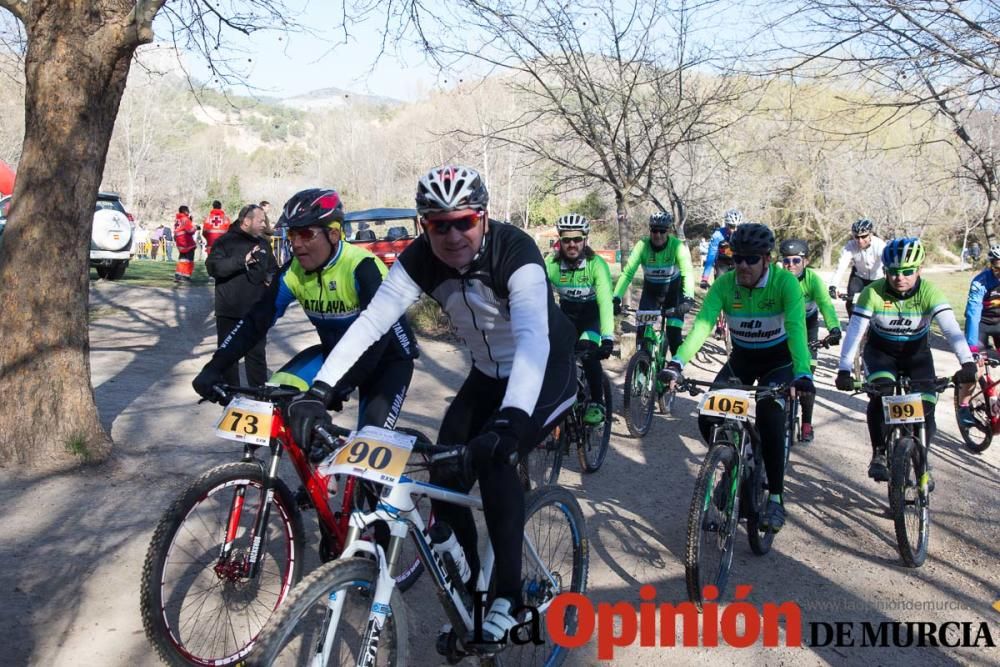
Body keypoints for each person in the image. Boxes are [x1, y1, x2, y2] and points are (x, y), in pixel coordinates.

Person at [283, 165, 577, 645]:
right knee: (444, 470)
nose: (453, 234)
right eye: (439, 224)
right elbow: (372, 321)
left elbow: (531, 342)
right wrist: (320, 389)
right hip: (487, 374)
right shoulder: (421, 258)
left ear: (484, 217)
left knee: (497, 460)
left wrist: (510, 423)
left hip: (544, 372)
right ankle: (468, 590)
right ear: (424, 225)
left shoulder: (515, 251)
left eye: (464, 221)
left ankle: (508, 596)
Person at [194, 189, 418, 426]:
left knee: (369, 441)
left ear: (333, 234)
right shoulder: (294, 272)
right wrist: (214, 367)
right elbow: (254, 322)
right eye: (292, 235)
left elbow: (377, 339)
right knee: (276, 398)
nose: (296, 244)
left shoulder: (362, 267)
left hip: (387, 358)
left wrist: (337, 387)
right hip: (334, 353)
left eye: (306, 234)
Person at [662, 223, 814, 533]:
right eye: (737, 258)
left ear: (766, 260)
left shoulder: (786, 285)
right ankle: (734, 464)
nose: (742, 265)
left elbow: (797, 330)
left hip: (778, 361)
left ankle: (775, 497)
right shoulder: (724, 285)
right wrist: (677, 363)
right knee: (708, 415)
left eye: (751, 259)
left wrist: (803, 373)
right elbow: (703, 326)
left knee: (771, 417)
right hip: (743, 358)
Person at [834, 238, 976, 482]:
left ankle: (922, 462)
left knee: (927, 410)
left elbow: (952, 330)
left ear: (919, 269)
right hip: (881, 354)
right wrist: (844, 369)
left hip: (916, 356)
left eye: (908, 272)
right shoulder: (873, 292)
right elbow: (856, 332)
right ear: (885, 271)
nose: (900, 277)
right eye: (893, 272)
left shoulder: (930, 292)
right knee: (881, 392)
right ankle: (879, 452)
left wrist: (968, 363)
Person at [544, 213, 615, 425]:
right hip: (566, 317)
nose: (572, 244)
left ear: (585, 239)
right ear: (560, 241)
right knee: (554, 356)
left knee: (588, 352)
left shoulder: (596, 264)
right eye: (566, 240)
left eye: (577, 239)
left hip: (591, 317)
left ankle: (597, 402)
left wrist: (608, 338)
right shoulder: (551, 264)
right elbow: (538, 299)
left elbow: (605, 302)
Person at [203, 204, 277, 387]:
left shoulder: (264, 244)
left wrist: (271, 279)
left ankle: (259, 397)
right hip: (230, 311)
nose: (264, 225)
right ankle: (230, 396)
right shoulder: (225, 241)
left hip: (256, 312)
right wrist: (242, 261)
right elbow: (214, 268)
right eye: (260, 221)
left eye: (264, 221)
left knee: (257, 357)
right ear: (246, 221)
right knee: (228, 358)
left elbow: (273, 270)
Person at [778, 239, 842, 441]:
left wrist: (834, 329)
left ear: (805, 262)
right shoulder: (777, 278)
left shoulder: (813, 280)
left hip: (808, 327)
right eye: (786, 261)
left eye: (796, 260)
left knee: (807, 378)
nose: (791, 266)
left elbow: (825, 304)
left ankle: (806, 423)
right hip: (783, 326)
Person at [612, 211, 695, 355]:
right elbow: (627, 273)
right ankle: (641, 367)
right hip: (651, 294)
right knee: (642, 333)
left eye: (662, 231)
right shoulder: (642, 246)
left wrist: (688, 298)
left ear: (668, 231)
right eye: (654, 230)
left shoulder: (677, 246)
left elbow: (687, 272)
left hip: (674, 295)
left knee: (674, 335)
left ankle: (676, 370)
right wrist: (616, 298)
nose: (658, 235)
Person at [956, 244, 1000, 425]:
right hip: (980, 325)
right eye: (997, 267)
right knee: (974, 370)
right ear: (991, 265)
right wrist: (973, 348)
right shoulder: (980, 282)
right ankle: (964, 408)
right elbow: (973, 315)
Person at [828, 218, 885, 318]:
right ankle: (853, 327)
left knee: (881, 307)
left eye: (864, 237)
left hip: (877, 278)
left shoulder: (880, 245)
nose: (860, 241)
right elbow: (841, 267)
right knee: (852, 305)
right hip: (859, 277)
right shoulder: (850, 246)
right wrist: (833, 285)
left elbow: (887, 265)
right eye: (856, 237)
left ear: (871, 234)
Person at [700, 208, 743, 288]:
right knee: (721, 288)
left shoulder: (744, 234)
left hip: (737, 263)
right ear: (727, 225)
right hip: (722, 264)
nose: (735, 230)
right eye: (732, 227)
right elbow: (711, 256)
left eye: (738, 227)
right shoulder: (718, 235)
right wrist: (705, 278)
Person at [173, 206, 198, 283]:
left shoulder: (177, 220)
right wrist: (195, 227)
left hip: (179, 243)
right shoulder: (185, 219)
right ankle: (186, 276)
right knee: (189, 260)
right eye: (188, 210)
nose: (189, 212)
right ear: (184, 211)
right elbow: (190, 230)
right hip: (187, 242)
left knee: (182, 259)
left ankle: (178, 275)